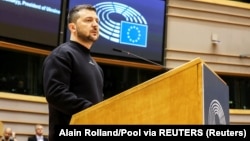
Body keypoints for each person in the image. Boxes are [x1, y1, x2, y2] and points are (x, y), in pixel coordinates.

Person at [42, 4, 104, 141]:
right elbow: (55, 93)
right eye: (88, 20)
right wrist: (92, 110)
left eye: (97, 21)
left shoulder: (96, 65)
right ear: (72, 27)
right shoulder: (62, 54)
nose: (95, 25)